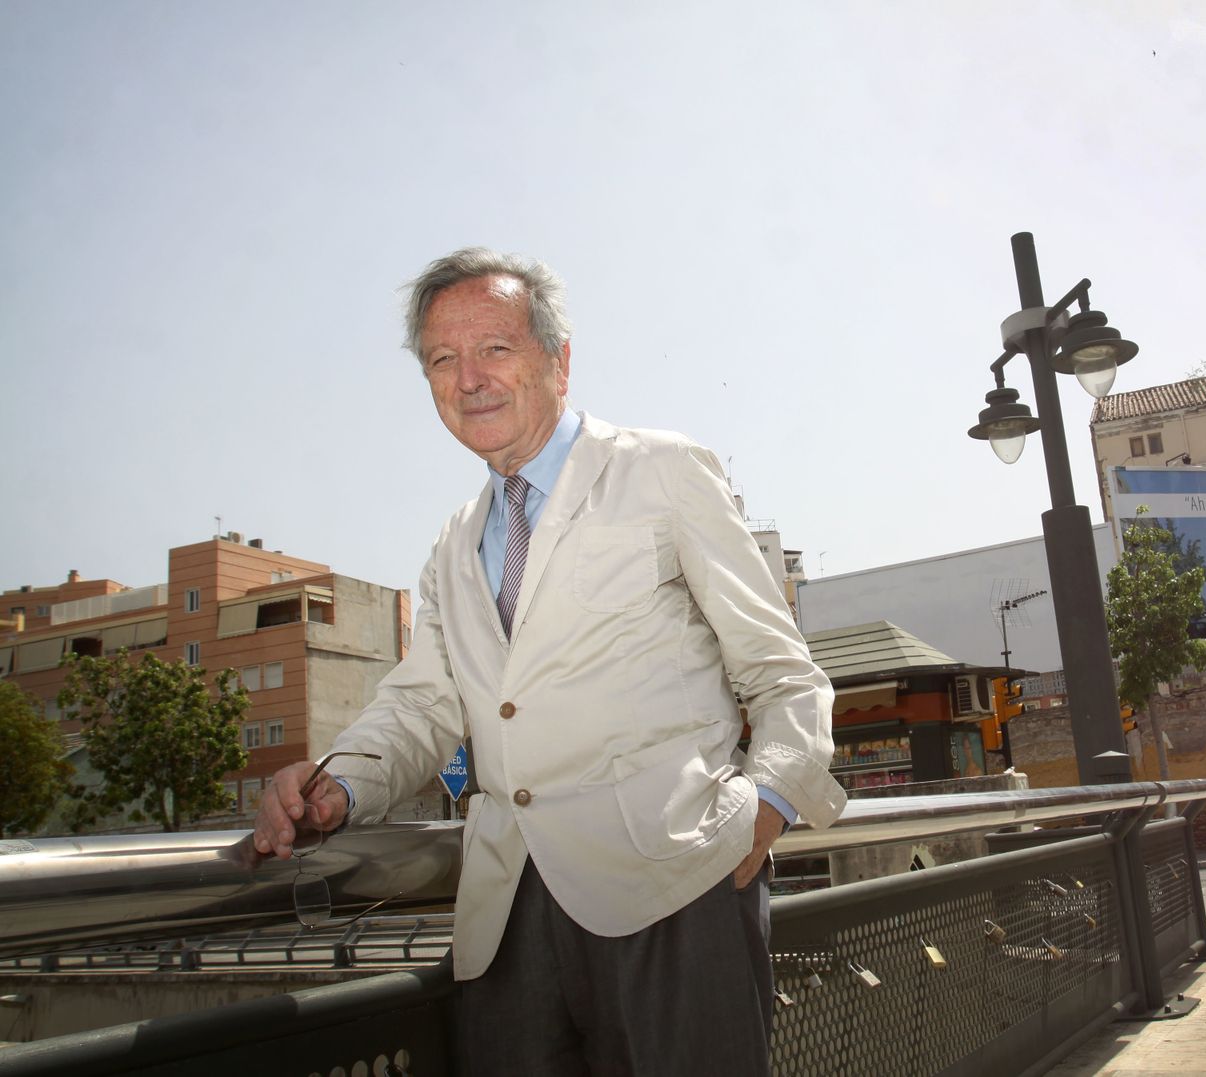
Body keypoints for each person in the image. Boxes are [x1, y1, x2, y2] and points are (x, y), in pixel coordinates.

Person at [251, 248, 846, 1075]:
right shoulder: (453, 544)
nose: (469, 379)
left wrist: (772, 798)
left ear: (558, 360)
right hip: (507, 915)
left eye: (495, 348)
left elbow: (780, 669)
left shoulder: (661, 470)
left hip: (675, 882)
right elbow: (422, 706)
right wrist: (337, 783)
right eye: (442, 360)